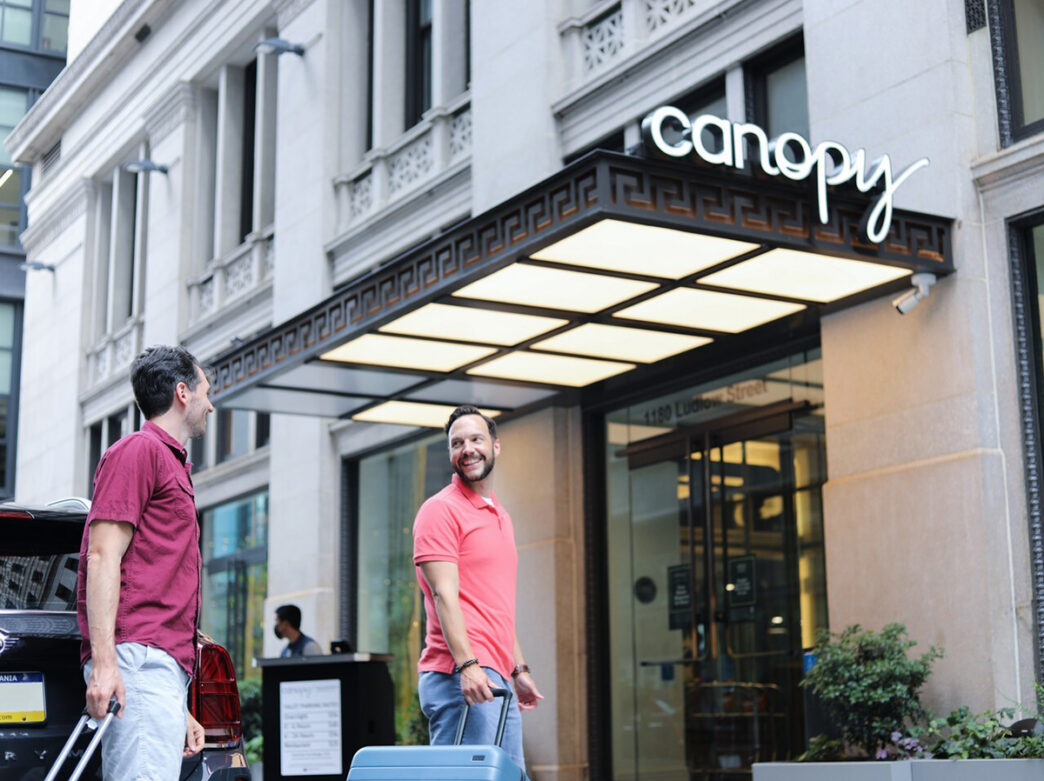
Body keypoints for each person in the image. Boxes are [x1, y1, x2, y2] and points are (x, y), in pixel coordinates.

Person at [76, 346, 213, 778]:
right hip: (138, 659)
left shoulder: (168, 461)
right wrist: (105, 665)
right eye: (206, 391)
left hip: (154, 671)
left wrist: (177, 707)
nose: (211, 403)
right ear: (182, 393)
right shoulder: (138, 452)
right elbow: (101, 556)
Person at [412, 405, 543, 773]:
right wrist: (467, 665)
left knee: (508, 776)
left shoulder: (499, 513)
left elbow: (495, 605)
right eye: (457, 443)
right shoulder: (440, 511)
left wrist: (518, 670)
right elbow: (443, 596)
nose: (467, 448)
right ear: (450, 454)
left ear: (495, 446)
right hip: (461, 676)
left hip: (495, 678)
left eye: (475, 439)